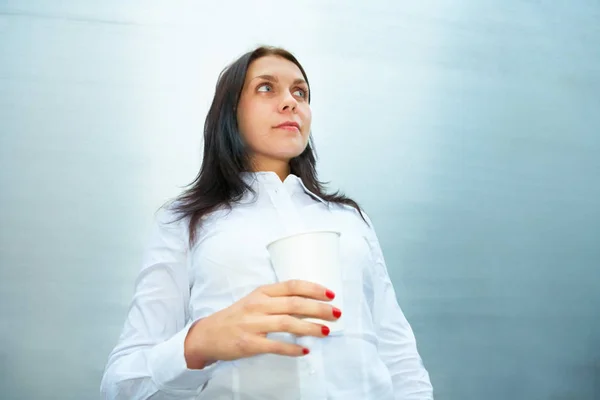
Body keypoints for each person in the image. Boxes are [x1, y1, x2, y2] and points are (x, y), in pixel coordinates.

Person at [100, 45, 433, 399]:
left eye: (300, 92)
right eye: (266, 87)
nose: (290, 101)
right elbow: (120, 384)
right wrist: (198, 342)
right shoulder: (185, 221)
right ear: (230, 112)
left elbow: (399, 358)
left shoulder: (350, 220)